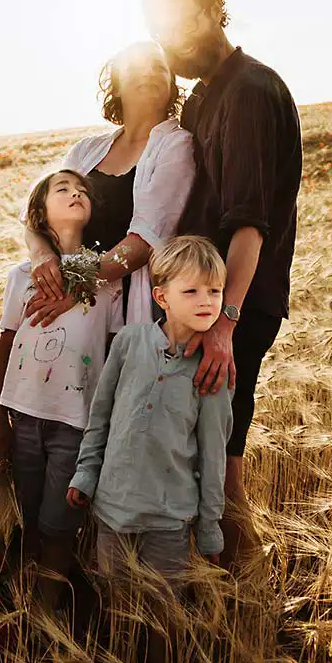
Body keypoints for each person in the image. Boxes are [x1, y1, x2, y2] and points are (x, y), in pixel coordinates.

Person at [141, 0, 303, 571]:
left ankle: (245, 589)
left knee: (218, 457)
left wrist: (223, 326)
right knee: (206, 453)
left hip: (231, 305)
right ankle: (224, 588)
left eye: (182, 17)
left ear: (215, 10)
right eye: (159, 26)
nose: (171, 36)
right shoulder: (208, 97)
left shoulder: (250, 92)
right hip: (207, 304)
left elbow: (248, 223)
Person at [65, 235, 231, 597]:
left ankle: (156, 657)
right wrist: (85, 473)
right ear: (162, 298)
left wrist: (209, 528)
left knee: (163, 609)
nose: (206, 301)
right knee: (116, 600)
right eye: (192, 292)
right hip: (112, 508)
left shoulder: (212, 371)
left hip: (169, 519)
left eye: (215, 292)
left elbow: (214, 455)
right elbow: (101, 416)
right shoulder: (127, 342)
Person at [0, 169, 124, 611]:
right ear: (39, 211)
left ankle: (47, 610)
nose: (76, 193)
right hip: (23, 417)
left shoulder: (106, 284)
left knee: (60, 522)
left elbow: (111, 352)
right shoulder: (20, 277)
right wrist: (0, 421)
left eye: (83, 190)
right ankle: (23, 604)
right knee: (29, 518)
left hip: (77, 423)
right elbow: (5, 346)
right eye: (62, 189)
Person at [22, 41, 195, 330]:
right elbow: (37, 218)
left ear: (171, 84)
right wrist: (42, 256)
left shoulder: (177, 145)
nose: (149, 73)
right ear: (116, 85)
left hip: (124, 313)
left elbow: (145, 240)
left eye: (159, 67)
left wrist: (77, 286)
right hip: (63, 305)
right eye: (136, 68)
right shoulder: (86, 150)